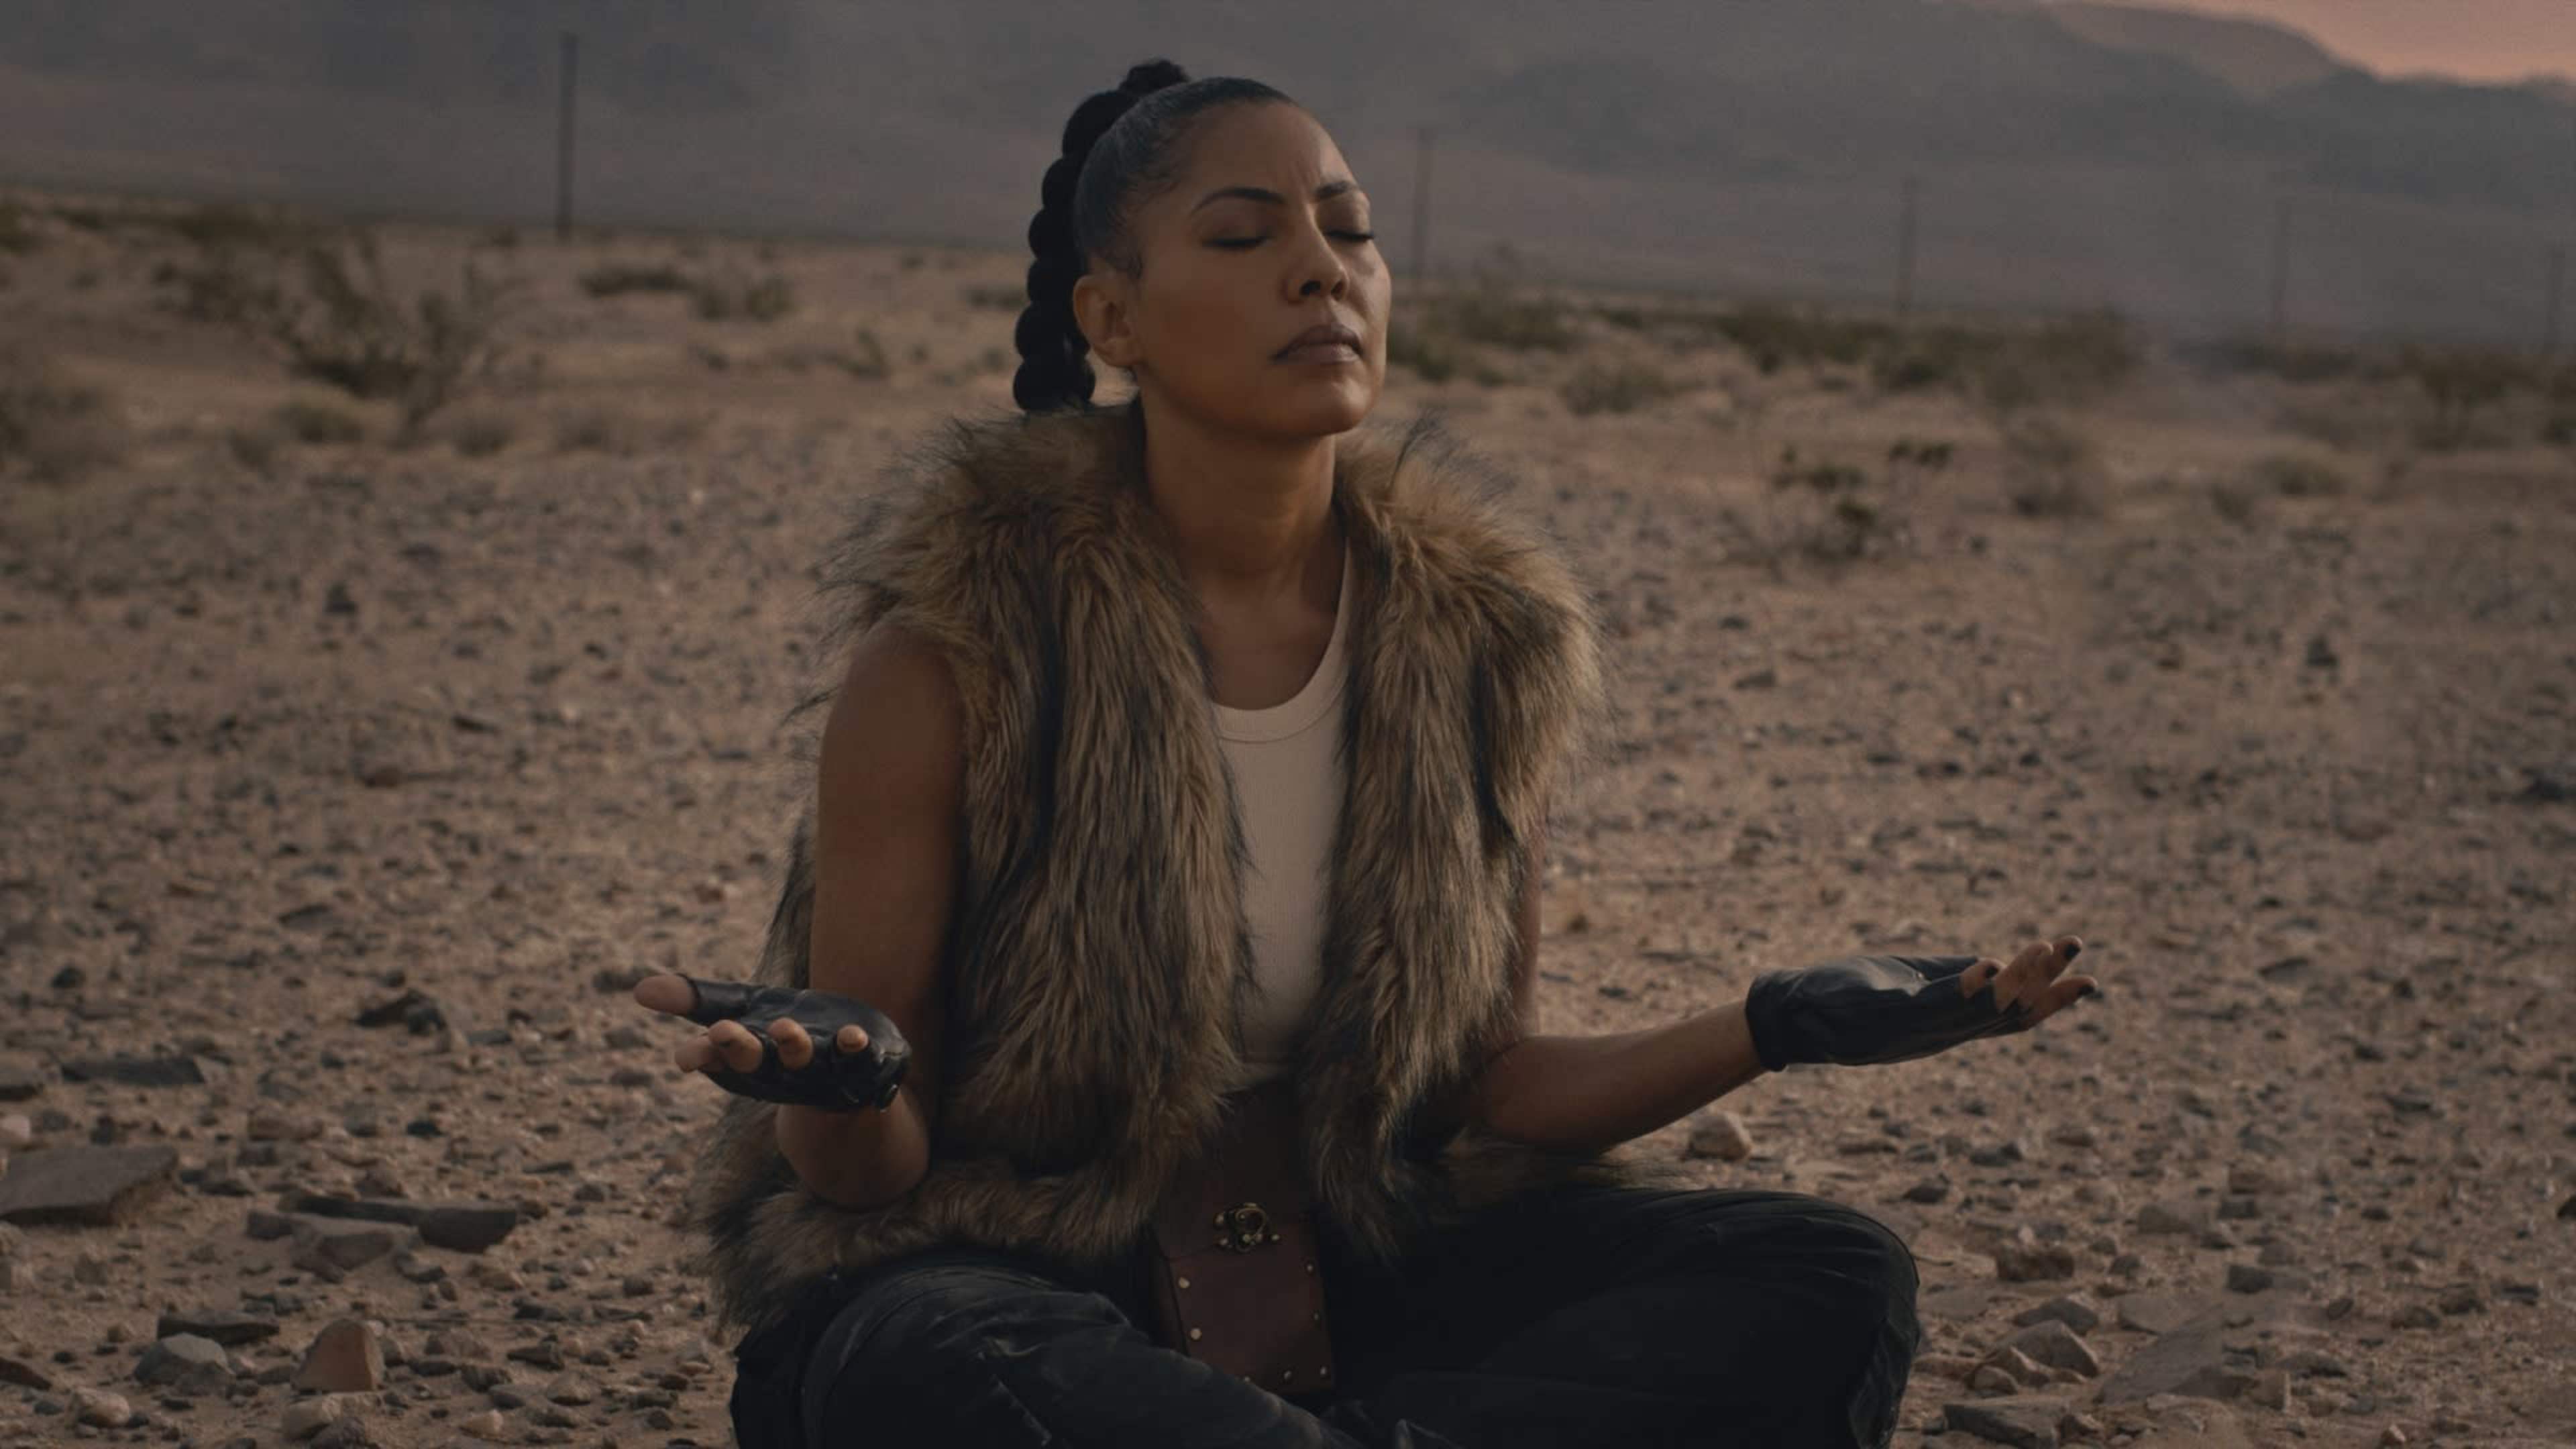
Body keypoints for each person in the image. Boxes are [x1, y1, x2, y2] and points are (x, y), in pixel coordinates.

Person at [633, 58, 2104, 1449]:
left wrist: (1775, 1025)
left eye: (1351, 232)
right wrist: (833, 1097)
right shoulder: (955, 660)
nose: (1322, 269)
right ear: (1114, 318)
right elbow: (872, 1169)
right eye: (1242, 233)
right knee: (942, 1362)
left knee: (1825, 1278)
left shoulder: (1477, 646)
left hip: (1365, 1254)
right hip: (1028, 1269)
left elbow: (1486, 1086)